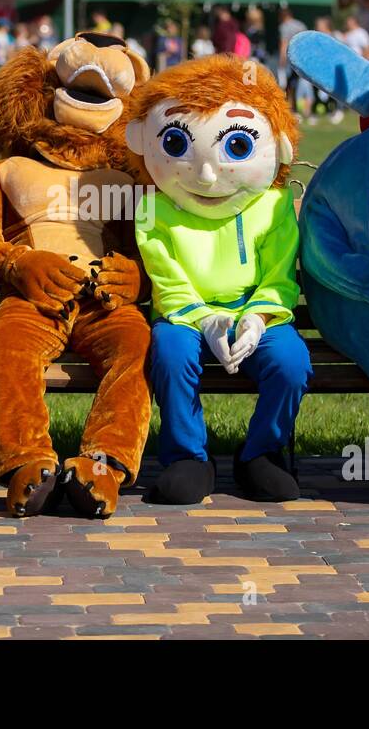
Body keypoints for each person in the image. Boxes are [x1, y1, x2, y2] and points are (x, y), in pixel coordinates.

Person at [127, 56, 308, 504]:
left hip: (255, 312)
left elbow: (280, 272)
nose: (206, 176)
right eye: (175, 143)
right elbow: (165, 275)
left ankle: (260, 453)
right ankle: (187, 456)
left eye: (238, 147)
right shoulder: (154, 206)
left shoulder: (273, 205)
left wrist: (258, 318)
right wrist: (203, 318)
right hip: (185, 316)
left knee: (291, 361)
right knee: (169, 353)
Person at [277, 6, 312, 121]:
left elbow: (284, 43)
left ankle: (291, 110)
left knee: (289, 86)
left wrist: (282, 61)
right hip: (303, 59)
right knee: (304, 85)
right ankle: (306, 110)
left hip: (291, 60)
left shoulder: (284, 27)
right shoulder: (300, 25)